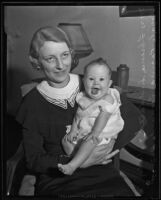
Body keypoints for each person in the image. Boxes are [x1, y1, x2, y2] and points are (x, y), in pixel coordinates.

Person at [16, 26, 143, 197]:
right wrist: (77, 162)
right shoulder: (32, 102)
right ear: (37, 61)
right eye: (50, 58)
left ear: (71, 54)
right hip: (58, 176)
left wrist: (108, 147)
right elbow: (33, 160)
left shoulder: (92, 81)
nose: (60, 65)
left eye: (65, 55)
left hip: (100, 171)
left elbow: (133, 118)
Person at [58, 58, 124, 175]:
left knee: (90, 141)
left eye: (101, 79)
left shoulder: (108, 98)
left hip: (101, 134)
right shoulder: (82, 97)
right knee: (65, 140)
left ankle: (73, 165)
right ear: (84, 81)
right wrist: (73, 130)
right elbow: (78, 116)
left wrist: (94, 133)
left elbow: (103, 117)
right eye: (91, 79)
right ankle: (82, 162)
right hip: (85, 132)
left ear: (109, 84)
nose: (96, 83)